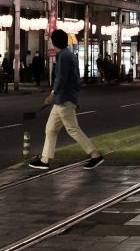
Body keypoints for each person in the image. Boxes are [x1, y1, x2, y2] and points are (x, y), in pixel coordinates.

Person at [29, 29, 103, 170]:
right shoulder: (70, 54)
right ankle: (45, 159)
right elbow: (75, 78)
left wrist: (53, 93)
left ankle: (95, 154)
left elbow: (61, 77)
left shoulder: (63, 56)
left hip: (63, 98)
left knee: (72, 129)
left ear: (54, 42)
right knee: (50, 129)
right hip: (65, 98)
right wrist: (75, 98)